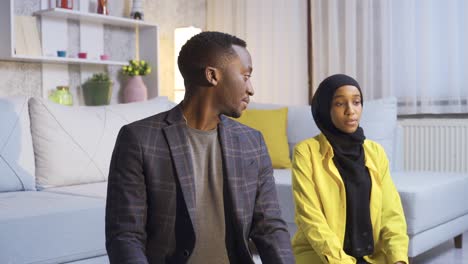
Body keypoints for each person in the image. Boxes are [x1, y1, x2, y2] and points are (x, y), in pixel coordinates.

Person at [105, 31, 294, 264]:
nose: (251, 89)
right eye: (245, 76)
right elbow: (125, 237)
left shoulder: (251, 142)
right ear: (212, 75)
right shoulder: (139, 139)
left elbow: (270, 227)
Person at [291, 74, 408, 264]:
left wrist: (398, 259)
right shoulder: (306, 152)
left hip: (372, 257)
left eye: (356, 102)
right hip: (322, 256)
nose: (351, 111)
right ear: (324, 108)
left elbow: (391, 212)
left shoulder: (375, 152)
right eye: (339, 104)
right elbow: (309, 217)